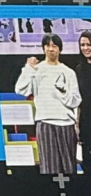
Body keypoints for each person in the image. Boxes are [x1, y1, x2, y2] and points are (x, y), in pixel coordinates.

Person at [15, 33, 83, 174]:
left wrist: (63, 92)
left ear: (60, 49)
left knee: (69, 168)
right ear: (43, 48)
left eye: (54, 46)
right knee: (49, 168)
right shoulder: (36, 70)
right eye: (47, 45)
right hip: (45, 123)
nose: (50, 49)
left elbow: (76, 100)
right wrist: (28, 68)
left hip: (66, 124)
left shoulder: (68, 72)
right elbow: (20, 89)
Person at [75, 30, 91, 169]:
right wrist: (77, 123)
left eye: (89, 44)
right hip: (86, 120)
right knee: (87, 160)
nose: (85, 48)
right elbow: (78, 99)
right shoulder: (79, 70)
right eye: (82, 45)